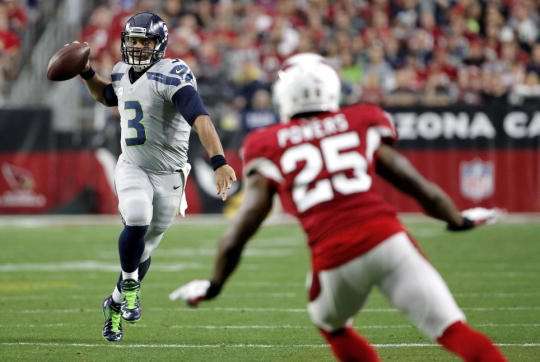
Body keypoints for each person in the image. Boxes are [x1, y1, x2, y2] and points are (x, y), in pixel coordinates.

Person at [169, 53, 508, 362]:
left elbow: (239, 231)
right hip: (389, 239)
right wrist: (458, 219)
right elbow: (420, 189)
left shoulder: (267, 142)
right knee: (453, 331)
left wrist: (214, 284)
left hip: (334, 257)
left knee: (330, 323)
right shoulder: (361, 119)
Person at [75, 12, 236, 342]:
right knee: (137, 216)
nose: (136, 47)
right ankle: (131, 285)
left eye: (144, 41)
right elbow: (107, 96)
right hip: (133, 165)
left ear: (158, 45)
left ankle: (115, 302)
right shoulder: (121, 70)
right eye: (132, 40)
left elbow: (200, 120)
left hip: (170, 175)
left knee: (145, 249)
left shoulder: (172, 74)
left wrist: (219, 161)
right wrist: (86, 71)